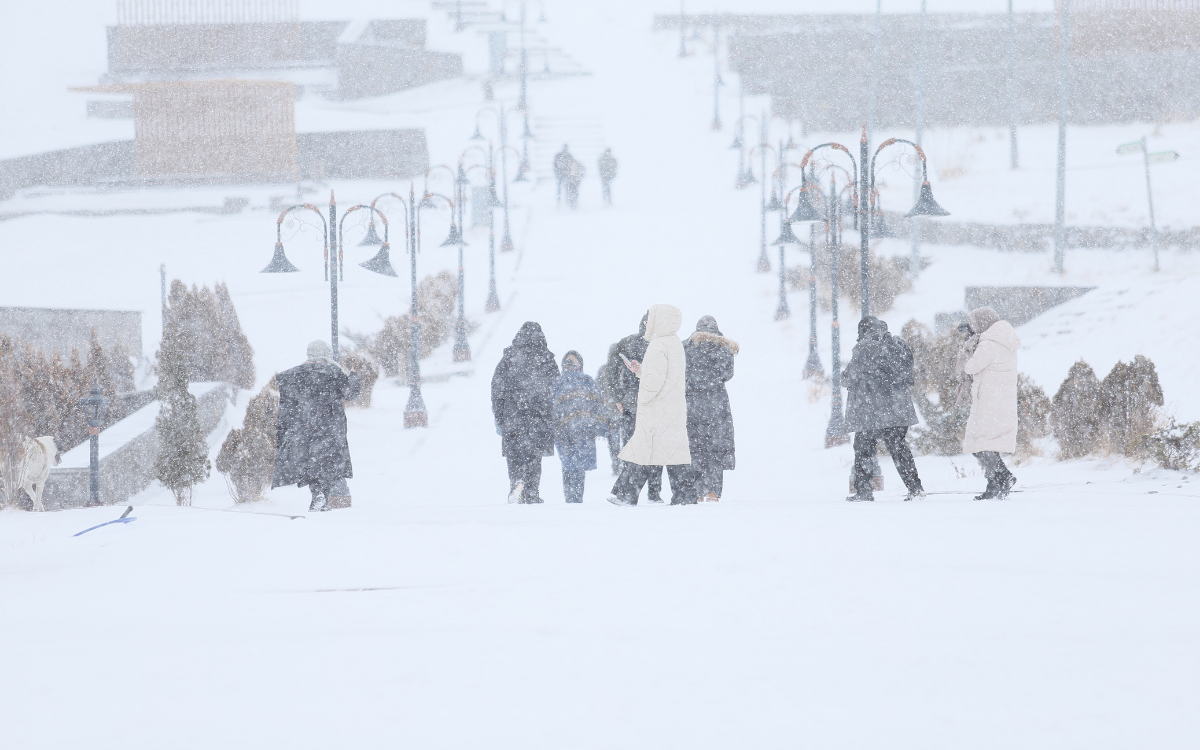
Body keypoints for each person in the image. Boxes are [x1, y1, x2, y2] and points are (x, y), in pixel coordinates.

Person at [607, 304, 694, 506]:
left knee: (643, 451)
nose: (647, 323)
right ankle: (684, 496)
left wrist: (643, 399)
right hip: (673, 408)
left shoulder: (657, 345)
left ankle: (626, 495)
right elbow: (666, 374)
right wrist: (641, 370)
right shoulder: (675, 343)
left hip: (657, 409)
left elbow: (654, 382)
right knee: (673, 452)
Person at [272, 340, 361, 512]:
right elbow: (351, 394)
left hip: (304, 426)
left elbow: (287, 404)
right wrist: (353, 376)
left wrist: (286, 428)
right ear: (326, 354)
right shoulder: (333, 372)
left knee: (311, 461)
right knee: (328, 462)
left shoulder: (293, 375)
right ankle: (322, 496)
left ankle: (317, 494)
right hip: (330, 425)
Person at [842, 317, 925, 502]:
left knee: (863, 449)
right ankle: (915, 488)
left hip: (872, 411)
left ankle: (864, 491)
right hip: (898, 410)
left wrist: (845, 377)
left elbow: (850, 377)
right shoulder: (898, 345)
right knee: (899, 449)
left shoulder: (864, 347)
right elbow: (908, 374)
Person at [491, 322, 559, 504]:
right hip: (538, 417)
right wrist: (550, 414)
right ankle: (532, 492)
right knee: (533, 457)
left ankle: (516, 483)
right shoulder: (546, 359)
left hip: (513, 417)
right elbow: (556, 389)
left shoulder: (508, 358)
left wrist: (500, 415)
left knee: (514, 454)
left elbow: (497, 389)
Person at [958, 306, 1021, 500]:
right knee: (988, 444)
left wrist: (969, 350)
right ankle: (996, 483)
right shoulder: (1005, 340)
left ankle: (1002, 478)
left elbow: (970, 367)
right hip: (1001, 399)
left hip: (988, 401)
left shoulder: (988, 344)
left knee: (981, 444)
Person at [600, 312, 664, 502]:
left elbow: (610, 370)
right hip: (653, 403)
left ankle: (629, 492)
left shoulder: (627, 343)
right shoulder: (661, 345)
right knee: (655, 449)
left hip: (631, 404)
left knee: (633, 448)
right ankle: (654, 493)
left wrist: (618, 397)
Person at [683, 316, 737, 502]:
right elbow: (727, 374)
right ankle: (713, 491)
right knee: (715, 447)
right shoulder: (724, 347)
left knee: (694, 447)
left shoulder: (686, 347)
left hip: (691, 402)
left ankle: (697, 491)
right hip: (716, 403)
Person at [552, 351, 614, 503]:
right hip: (583, 430)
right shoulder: (586, 381)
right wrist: (603, 426)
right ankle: (575, 498)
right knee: (577, 465)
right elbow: (598, 404)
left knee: (568, 464)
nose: (570, 366)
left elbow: (551, 407)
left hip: (565, 430)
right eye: (569, 363)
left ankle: (571, 498)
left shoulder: (558, 382)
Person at [595, 346, 624, 475]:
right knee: (623, 439)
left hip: (611, 411)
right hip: (621, 411)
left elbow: (597, 390)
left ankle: (617, 463)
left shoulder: (604, 370)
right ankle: (622, 464)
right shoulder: (623, 369)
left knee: (614, 440)